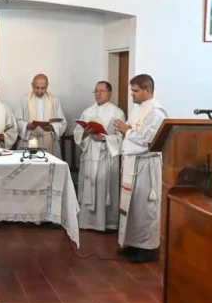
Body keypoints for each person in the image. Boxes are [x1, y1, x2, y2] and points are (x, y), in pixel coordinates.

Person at [113, 74, 167, 263]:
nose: (132, 95)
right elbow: (133, 130)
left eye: (135, 91)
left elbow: (147, 140)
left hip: (145, 165)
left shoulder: (156, 113)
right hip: (133, 163)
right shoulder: (138, 109)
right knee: (132, 206)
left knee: (145, 207)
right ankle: (133, 243)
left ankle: (148, 249)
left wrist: (126, 131)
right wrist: (124, 128)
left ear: (147, 90)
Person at [73, 81, 125, 232]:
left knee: (103, 187)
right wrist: (85, 133)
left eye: (102, 91)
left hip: (106, 156)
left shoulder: (118, 113)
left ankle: (106, 223)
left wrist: (105, 138)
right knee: (89, 185)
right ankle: (87, 222)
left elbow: (122, 137)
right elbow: (77, 133)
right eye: (96, 91)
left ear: (110, 93)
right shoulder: (87, 112)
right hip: (90, 155)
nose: (98, 94)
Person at [17, 74, 67, 154]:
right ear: (32, 85)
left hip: (48, 139)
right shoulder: (25, 100)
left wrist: (51, 127)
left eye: (43, 88)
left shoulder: (54, 101)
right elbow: (17, 121)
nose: (40, 91)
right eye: (37, 88)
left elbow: (62, 123)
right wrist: (27, 125)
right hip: (30, 139)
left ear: (47, 86)